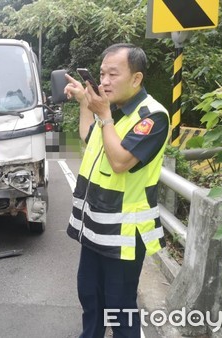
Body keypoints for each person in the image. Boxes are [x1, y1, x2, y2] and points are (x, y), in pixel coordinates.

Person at [63, 43, 170, 338]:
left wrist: (104, 115)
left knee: (119, 307)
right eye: (101, 74)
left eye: (113, 74)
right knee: (90, 298)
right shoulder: (115, 112)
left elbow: (121, 161)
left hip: (124, 232)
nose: (105, 81)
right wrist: (86, 103)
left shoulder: (152, 117)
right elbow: (89, 138)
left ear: (136, 79)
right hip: (95, 226)